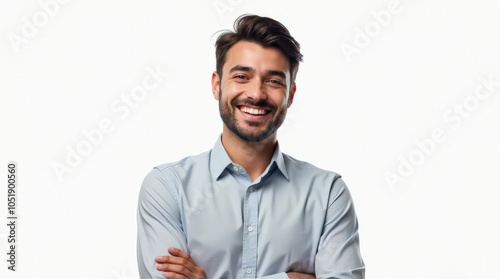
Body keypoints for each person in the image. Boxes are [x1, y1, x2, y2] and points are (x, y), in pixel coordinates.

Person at [137, 14, 365, 279]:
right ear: (216, 85)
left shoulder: (328, 194)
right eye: (242, 76)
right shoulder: (167, 188)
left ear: (290, 95)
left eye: (274, 81)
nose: (256, 94)